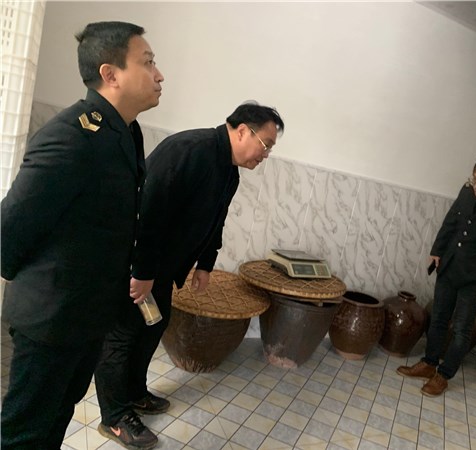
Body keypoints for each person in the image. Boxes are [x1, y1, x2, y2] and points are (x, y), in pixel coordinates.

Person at [0, 21, 164, 449]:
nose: (159, 74)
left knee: (59, 415)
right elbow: (11, 226)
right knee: (25, 431)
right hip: (51, 318)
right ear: (111, 74)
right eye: (148, 63)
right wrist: (38, 288)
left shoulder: (125, 130)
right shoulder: (72, 135)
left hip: (88, 315)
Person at [93, 102, 284, 448]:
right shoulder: (190, 150)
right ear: (243, 130)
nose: (266, 154)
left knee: (154, 326)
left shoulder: (229, 172)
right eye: (266, 144)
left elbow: (216, 220)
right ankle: (115, 417)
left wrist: (206, 263)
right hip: (136, 263)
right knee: (122, 335)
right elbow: (148, 210)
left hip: (161, 269)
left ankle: (134, 392)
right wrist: (142, 270)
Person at [396, 154, 476, 397]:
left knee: (461, 329)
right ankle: (428, 363)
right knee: (438, 318)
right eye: (474, 179)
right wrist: (437, 250)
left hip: (475, 280)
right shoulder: (467, 191)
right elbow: (452, 221)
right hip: (450, 266)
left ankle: (444, 375)